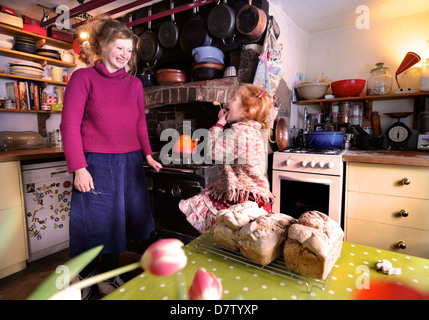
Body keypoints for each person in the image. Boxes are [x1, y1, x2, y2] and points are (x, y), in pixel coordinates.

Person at [60, 16, 162, 299]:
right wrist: (79, 167)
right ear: (103, 45)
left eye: (129, 51)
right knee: (93, 224)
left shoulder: (134, 85)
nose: (125, 56)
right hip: (96, 163)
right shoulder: (83, 78)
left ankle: (108, 276)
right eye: (119, 48)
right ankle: (84, 278)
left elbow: (139, 123)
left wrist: (148, 155)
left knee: (118, 223)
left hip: (129, 163)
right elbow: (69, 126)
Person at [179, 83, 274, 233]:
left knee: (205, 208)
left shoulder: (238, 132)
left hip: (241, 199)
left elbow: (212, 152)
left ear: (247, 111)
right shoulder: (256, 132)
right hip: (258, 197)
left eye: (234, 99)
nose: (229, 102)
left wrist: (218, 125)